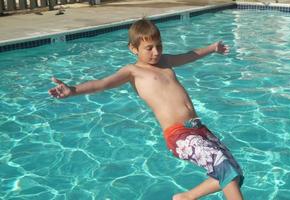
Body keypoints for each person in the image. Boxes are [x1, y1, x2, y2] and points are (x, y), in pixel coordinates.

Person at [49, 18, 244, 200]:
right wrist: (72, 90)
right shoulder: (133, 71)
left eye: (159, 46)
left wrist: (212, 48)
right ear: (133, 49)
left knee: (234, 172)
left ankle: (185, 197)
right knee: (224, 166)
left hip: (199, 128)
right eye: (149, 48)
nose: (156, 52)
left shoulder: (165, 62)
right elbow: (101, 84)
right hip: (179, 134)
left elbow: (189, 56)